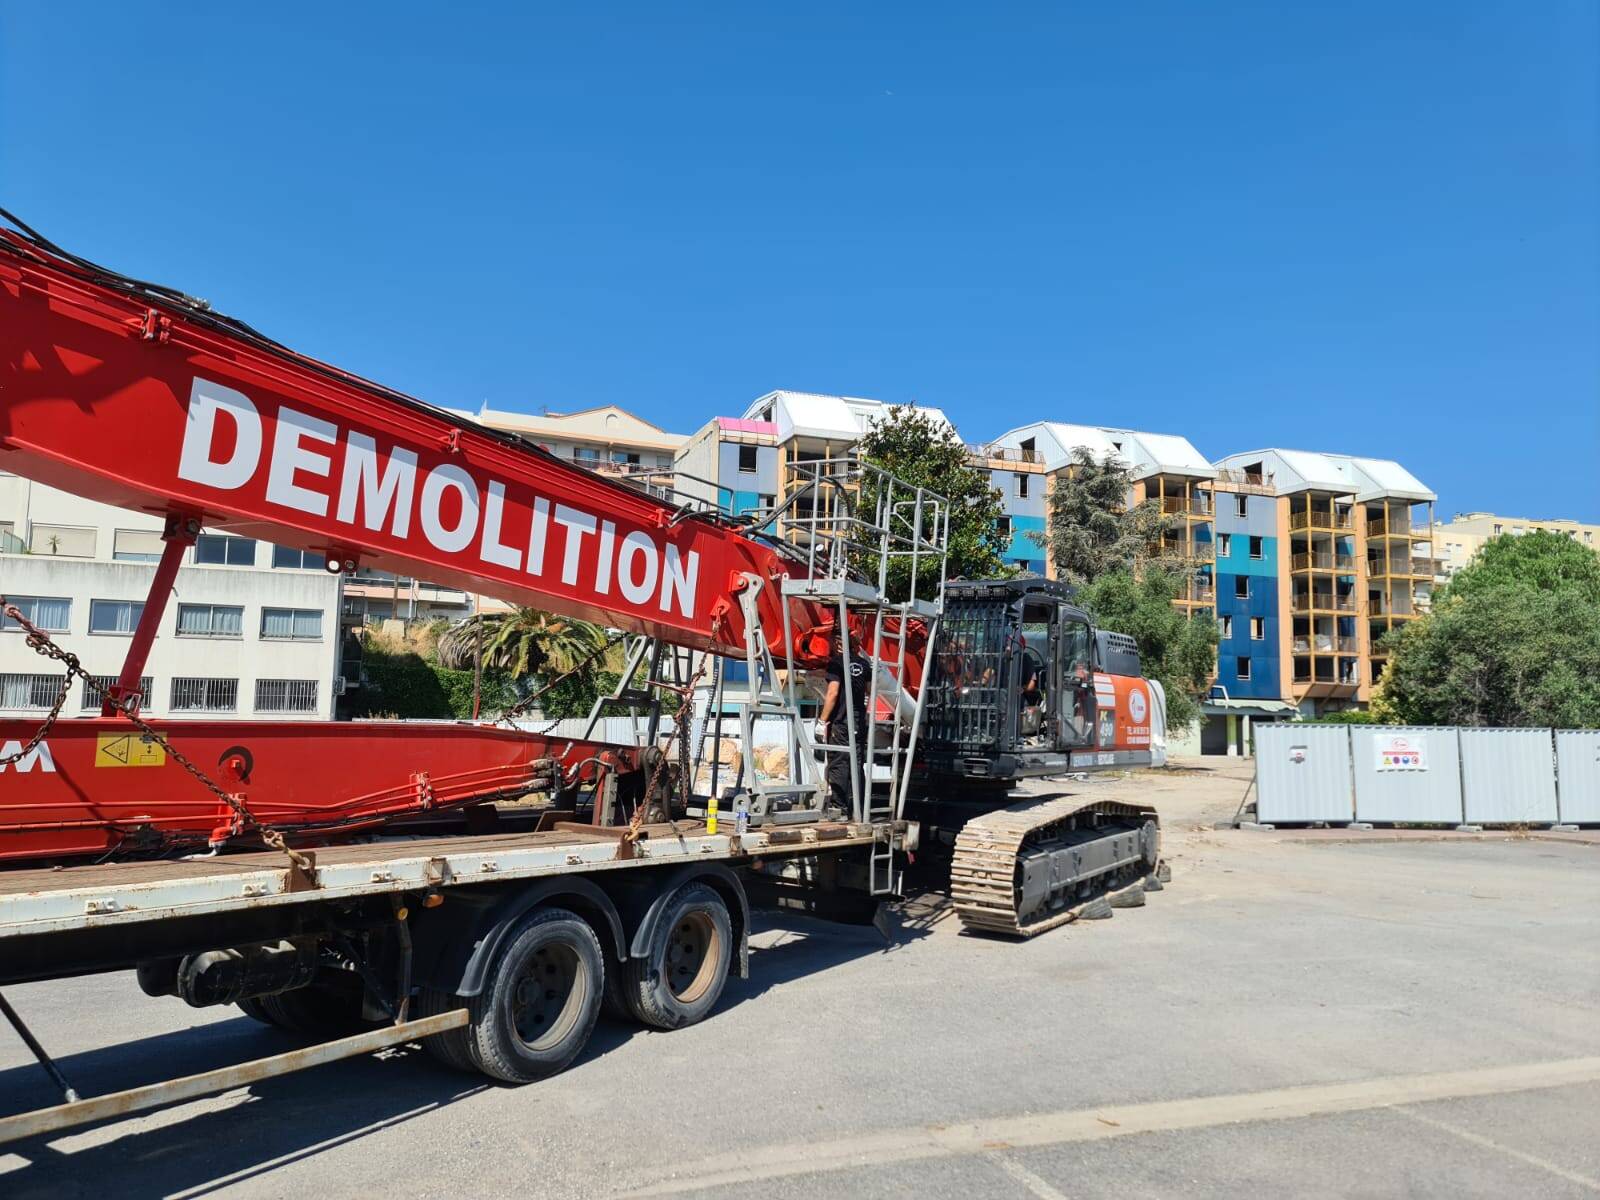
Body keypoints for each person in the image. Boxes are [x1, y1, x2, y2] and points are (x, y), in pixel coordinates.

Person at [818, 629, 870, 818]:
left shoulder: (836, 664)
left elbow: (832, 693)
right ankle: (858, 808)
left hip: (841, 721)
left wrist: (822, 720)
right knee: (856, 763)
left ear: (838, 643)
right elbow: (869, 692)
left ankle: (839, 808)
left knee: (839, 762)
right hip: (858, 721)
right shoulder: (864, 664)